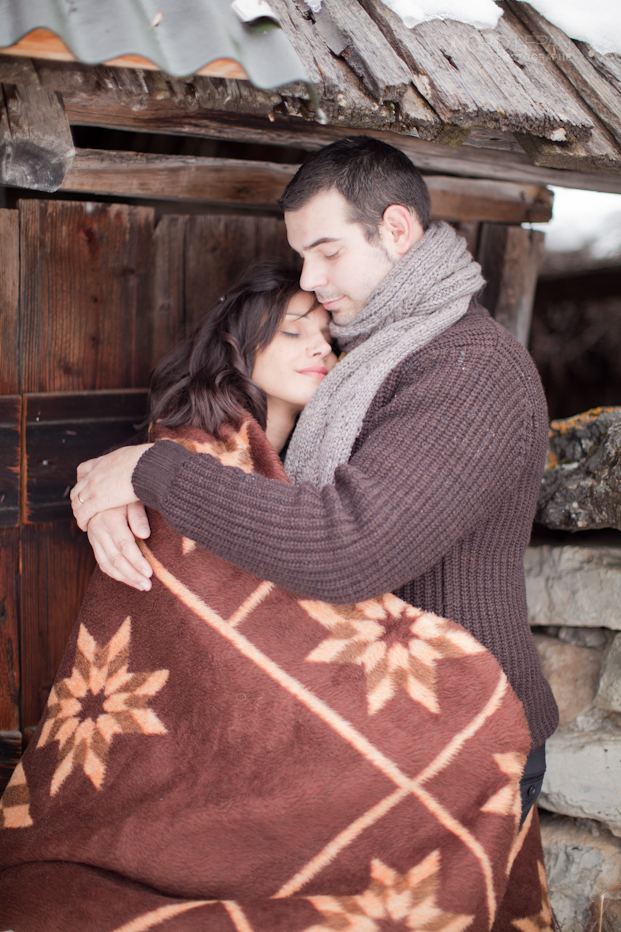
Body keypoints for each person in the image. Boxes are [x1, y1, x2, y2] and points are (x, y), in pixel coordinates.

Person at [72, 136, 558, 821]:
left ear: (395, 230)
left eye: (327, 252)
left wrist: (151, 471)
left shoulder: (468, 369)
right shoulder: (362, 366)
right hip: (379, 734)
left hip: (464, 739)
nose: (310, 279)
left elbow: (345, 548)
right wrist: (123, 495)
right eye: (302, 256)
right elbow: (245, 477)